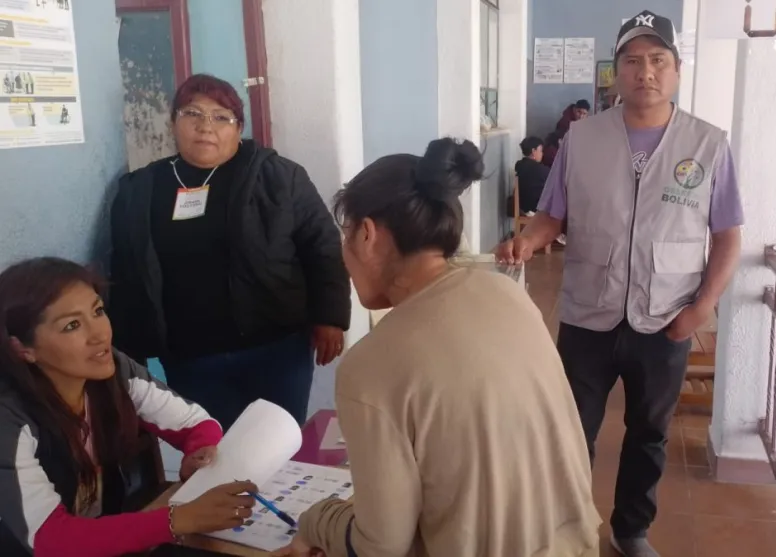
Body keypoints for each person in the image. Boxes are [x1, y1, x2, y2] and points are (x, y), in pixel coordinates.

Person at [273, 138, 600, 557]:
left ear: (367, 234)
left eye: (346, 235)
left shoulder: (370, 365)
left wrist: (316, 521)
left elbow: (380, 546)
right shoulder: (507, 295)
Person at [496, 11, 744, 557]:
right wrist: (527, 241)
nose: (645, 72)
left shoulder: (708, 145)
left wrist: (701, 308)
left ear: (676, 70)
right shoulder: (581, 139)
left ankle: (630, 530)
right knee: (570, 430)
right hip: (589, 313)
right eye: (632, 61)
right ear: (615, 72)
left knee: (649, 433)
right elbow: (551, 217)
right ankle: (565, 526)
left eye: (658, 61)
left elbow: (727, 237)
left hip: (667, 319)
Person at [108, 74, 351, 430]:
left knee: (277, 445)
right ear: (173, 121)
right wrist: (129, 351)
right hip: (190, 358)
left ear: (238, 128)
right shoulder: (140, 190)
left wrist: (330, 316)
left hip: (276, 349)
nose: (205, 126)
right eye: (192, 113)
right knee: (216, 452)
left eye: (221, 117)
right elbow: (127, 270)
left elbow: (322, 245)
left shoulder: (279, 177)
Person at [0, 257, 259, 557]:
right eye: (72, 325)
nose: (100, 335)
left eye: (98, 311)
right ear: (22, 349)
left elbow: (196, 423)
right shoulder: (10, 420)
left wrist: (199, 452)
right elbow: (48, 539)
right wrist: (180, 518)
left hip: (105, 541)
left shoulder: (111, 371)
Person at [514, 136, 550, 214]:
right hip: (537, 209)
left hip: (523, 207)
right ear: (533, 151)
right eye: (540, 151)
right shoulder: (541, 170)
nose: (542, 154)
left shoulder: (519, 166)